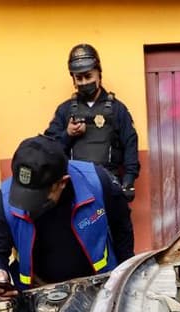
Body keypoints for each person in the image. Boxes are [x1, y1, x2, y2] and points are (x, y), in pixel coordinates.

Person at [0, 135, 133, 296]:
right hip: (39, 293)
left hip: (98, 287)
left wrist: (125, 275)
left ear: (62, 183)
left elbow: (122, 227)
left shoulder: (97, 183)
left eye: (37, 197)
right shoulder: (3, 201)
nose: (29, 205)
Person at [43, 44, 140, 202]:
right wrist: (67, 134)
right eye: (79, 78)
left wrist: (128, 181)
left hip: (108, 185)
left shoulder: (117, 109)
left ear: (99, 74)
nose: (83, 82)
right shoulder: (65, 110)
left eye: (88, 76)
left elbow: (130, 144)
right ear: (73, 79)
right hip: (75, 188)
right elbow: (49, 149)